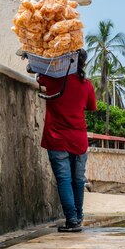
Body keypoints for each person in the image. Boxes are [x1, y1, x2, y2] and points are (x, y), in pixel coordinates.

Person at [37, 49, 97, 233]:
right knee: (78, 180)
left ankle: (72, 220)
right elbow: (91, 106)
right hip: (78, 139)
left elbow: (38, 76)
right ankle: (78, 217)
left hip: (57, 138)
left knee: (64, 179)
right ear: (83, 64)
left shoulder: (54, 80)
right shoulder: (87, 85)